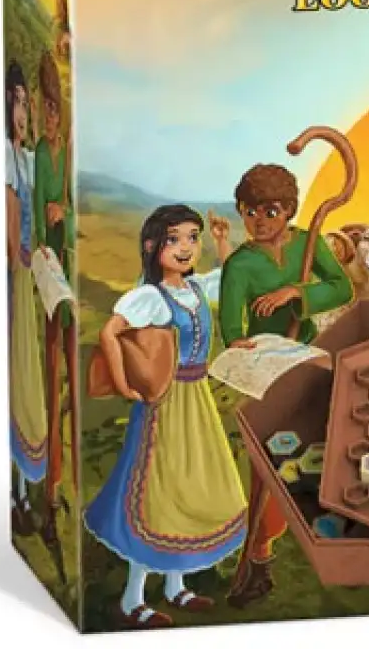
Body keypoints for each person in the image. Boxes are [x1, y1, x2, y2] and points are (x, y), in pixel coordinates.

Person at [84, 205, 246, 629]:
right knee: (160, 490)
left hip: (197, 400)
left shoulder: (194, 288)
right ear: (152, 245)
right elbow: (110, 333)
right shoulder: (151, 297)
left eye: (193, 237)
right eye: (174, 239)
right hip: (166, 403)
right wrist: (124, 384)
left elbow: (232, 279)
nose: (186, 247)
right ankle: (132, 597)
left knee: (190, 485)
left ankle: (176, 585)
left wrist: (223, 242)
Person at [219, 163, 353, 607]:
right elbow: (231, 325)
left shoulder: (307, 247)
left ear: (289, 211)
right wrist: (243, 348)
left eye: (270, 211)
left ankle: (333, 525)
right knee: (268, 458)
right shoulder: (240, 264)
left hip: (306, 357)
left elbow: (341, 289)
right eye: (250, 212)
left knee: (316, 444)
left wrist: (298, 293)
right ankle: (259, 555)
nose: (259, 221)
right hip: (265, 368)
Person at [33, 50, 77, 548]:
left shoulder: (69, 154)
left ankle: (66, 486)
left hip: (71, 274)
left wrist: (64, 213)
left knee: (70, 377)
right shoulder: (43, 155)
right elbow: (39, 211)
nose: (48, 117)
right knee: (52, 377)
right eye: (42, 108)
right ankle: (51, 486)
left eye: (52, 108)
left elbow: (69, 209)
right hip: (50, 273)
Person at [6, 60, 47, 536]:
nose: (23, 111)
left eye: (26, 103)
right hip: (9, 276)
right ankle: (14, 494)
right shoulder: (4, 154)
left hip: (22, 275)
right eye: (16, 102)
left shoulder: (29, 158)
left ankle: (21, 490)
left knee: (25, 378)